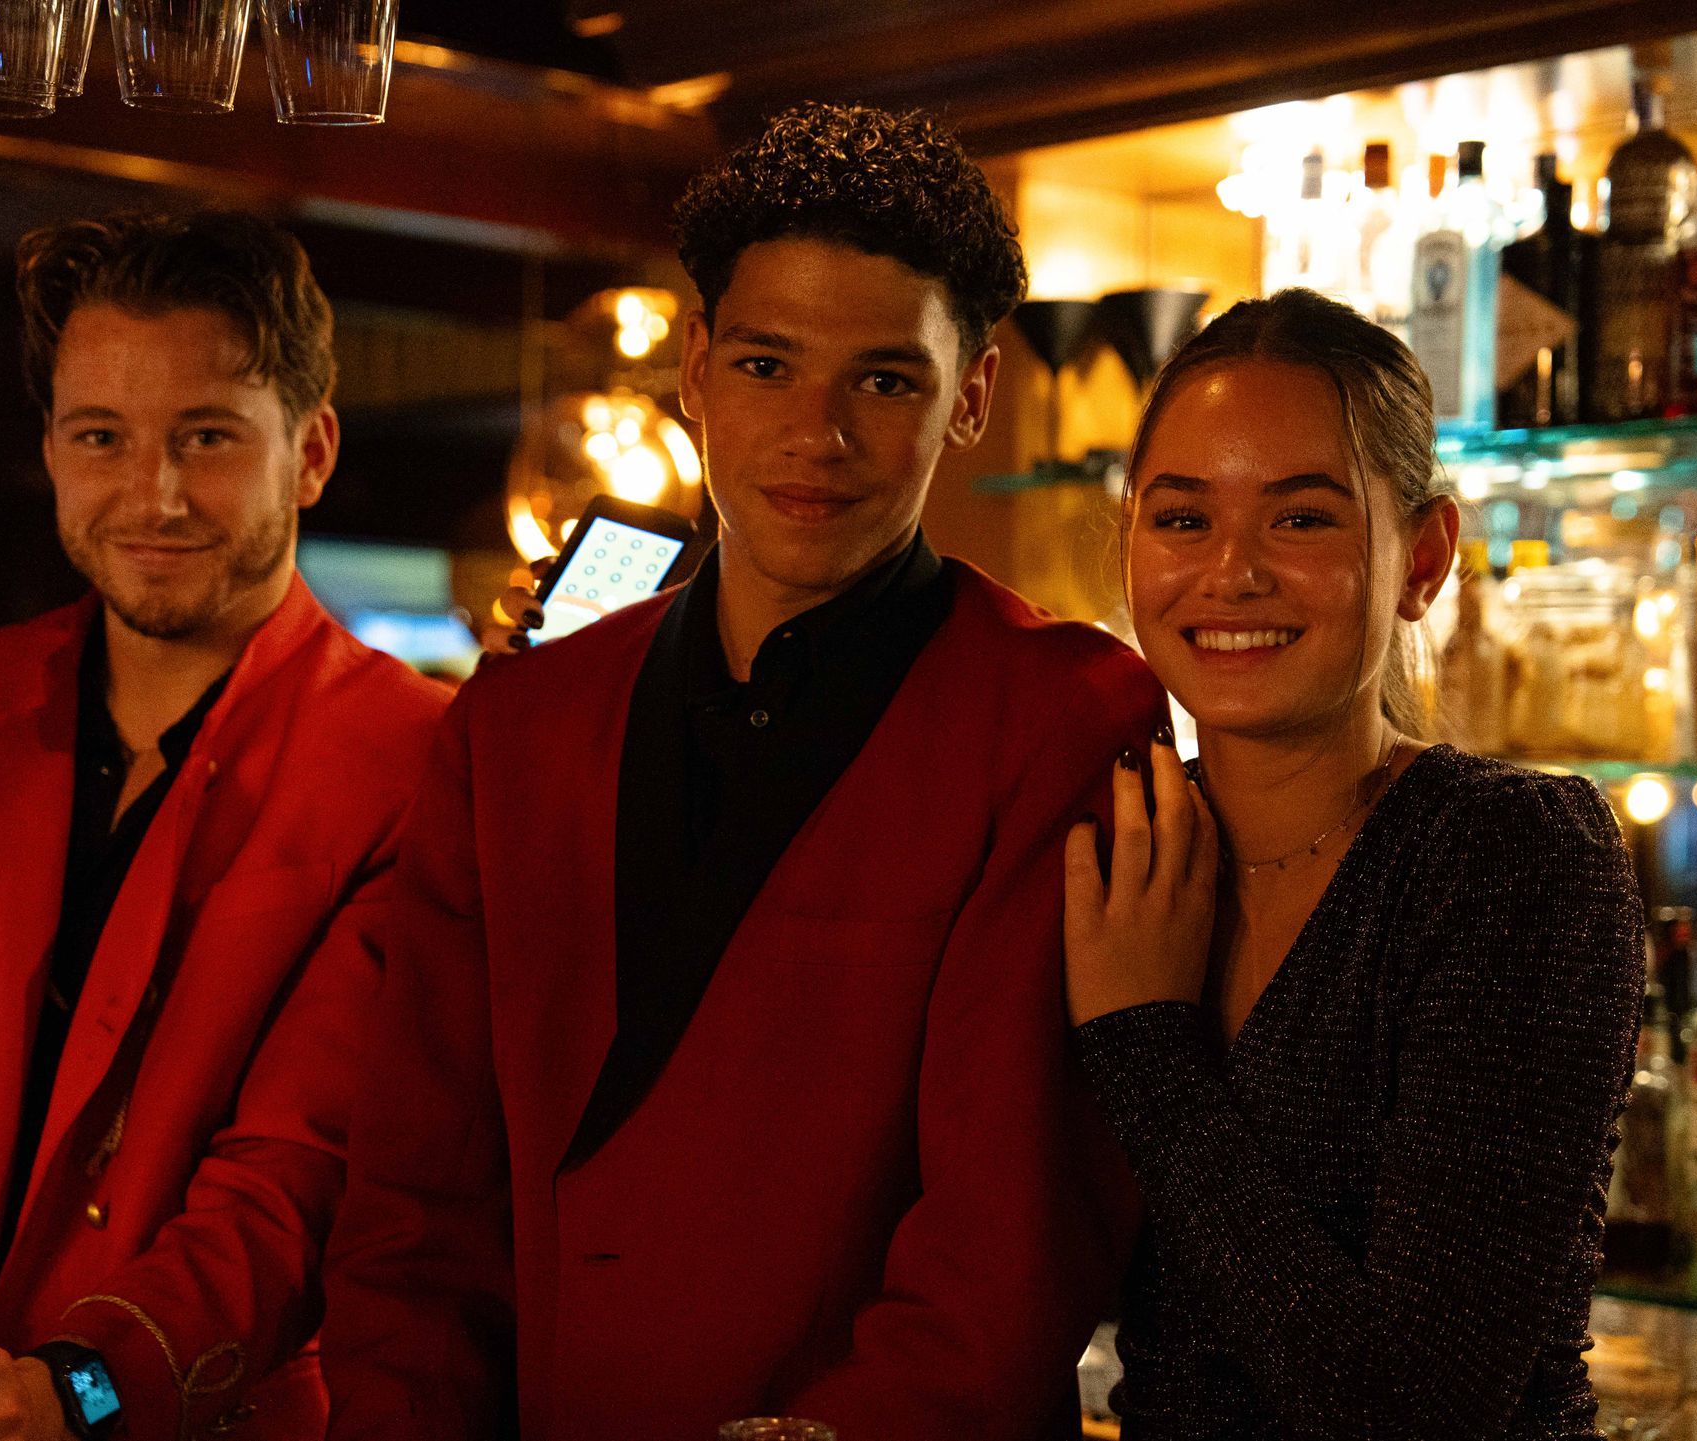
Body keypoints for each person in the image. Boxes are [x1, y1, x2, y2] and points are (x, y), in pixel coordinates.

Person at [321, 103, 1161, 1440]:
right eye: (768, 366)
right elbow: (414, 1205)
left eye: (884, 379)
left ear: (974, 393)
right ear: (697, 370)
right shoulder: (518, 720)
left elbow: (1012, 1243)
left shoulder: (1058, 715)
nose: (815, 434)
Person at [0, 211, 449, 1441]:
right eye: (103, 437)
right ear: (50, 448)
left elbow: (295, 1182)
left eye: (206, 438)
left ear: (309, 452)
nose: (152, 495)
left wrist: (80, 1388)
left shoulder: (410, 755)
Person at [1061, 288, 1642, 1437]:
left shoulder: (1511, 858)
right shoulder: (1123, 845)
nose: (1230, 574)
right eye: (1182, 519)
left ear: (1423, 557)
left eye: (1302, 519)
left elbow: (1411, 1404)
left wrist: (1141, 1044)